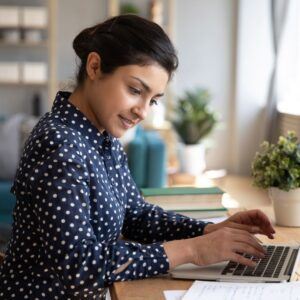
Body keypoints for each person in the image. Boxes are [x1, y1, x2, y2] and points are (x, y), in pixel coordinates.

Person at [0, 14, 275, 299]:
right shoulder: (59, 143)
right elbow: (79, 267)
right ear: (95, 67)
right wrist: (192, 250)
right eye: (135, 90)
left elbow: (137, 216)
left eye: (153, 99)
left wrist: (209, 231)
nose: (143, 111)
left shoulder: (103, 138)